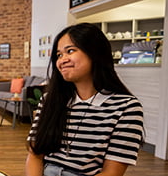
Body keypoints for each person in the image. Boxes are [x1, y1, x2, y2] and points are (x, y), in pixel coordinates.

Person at [25, 23, 144, 176]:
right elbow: (35, 155)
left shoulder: (127, 108)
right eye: (59, 55)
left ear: (95, 52)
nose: (62, 60)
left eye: (70, 51)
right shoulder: (50, 100)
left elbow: (112, 173)